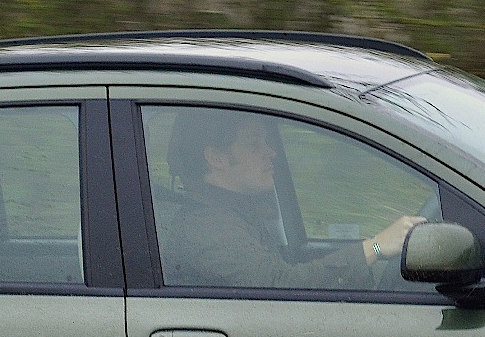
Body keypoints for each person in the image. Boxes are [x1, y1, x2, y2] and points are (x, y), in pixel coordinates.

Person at [155, 111, 426, 289]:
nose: (270, 152)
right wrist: (375, 248)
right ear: (217, 158)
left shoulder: (234, 212)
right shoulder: (205, 228)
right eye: (255, 144)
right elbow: (279, 287)